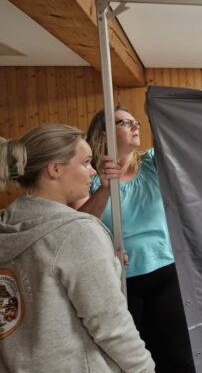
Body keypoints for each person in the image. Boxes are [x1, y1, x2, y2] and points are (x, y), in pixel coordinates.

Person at [0, 124, 154, 372]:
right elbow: (112, 326)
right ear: (55, 169)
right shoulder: (78, 233)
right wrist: (145, 369)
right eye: (85, 162)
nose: (93, 172)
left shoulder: (6, 226)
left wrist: (106, 261)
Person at [78, 107, 195, 373]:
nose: (135, 126)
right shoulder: (92, 175)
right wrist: (105, 190)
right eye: (125, 122)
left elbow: (178, 143)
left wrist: (159, 112)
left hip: (166, 272)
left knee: (179, 357)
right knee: (133, 360)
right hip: (119, 281)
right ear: (105, 132)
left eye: (136, 122)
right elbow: (80, 227)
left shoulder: (152, 163)